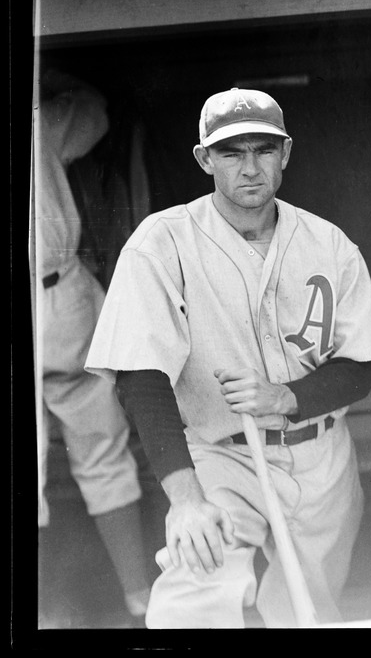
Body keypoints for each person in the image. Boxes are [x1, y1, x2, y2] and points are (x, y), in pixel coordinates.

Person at [86, 88, 371, 627]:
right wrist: (185, 498)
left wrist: (288, 395)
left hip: (322, 459)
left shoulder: (329, 244)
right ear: (204, 159)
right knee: (192, 595)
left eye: (263, 150)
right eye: (231, 152)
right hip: (222, 454)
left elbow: (363, 366)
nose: (250, 168)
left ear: (285, 153)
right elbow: (139, 377)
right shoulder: (162, 242)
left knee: (307, 615)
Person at [35, 70, 152, 620]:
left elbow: (96, 111)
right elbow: (94, 106)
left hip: (58, 297)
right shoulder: (37, 119)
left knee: (98, 439)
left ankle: (135, 596)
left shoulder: (37, 121)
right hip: (54, 293)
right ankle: (125, 599)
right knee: (95, 450)